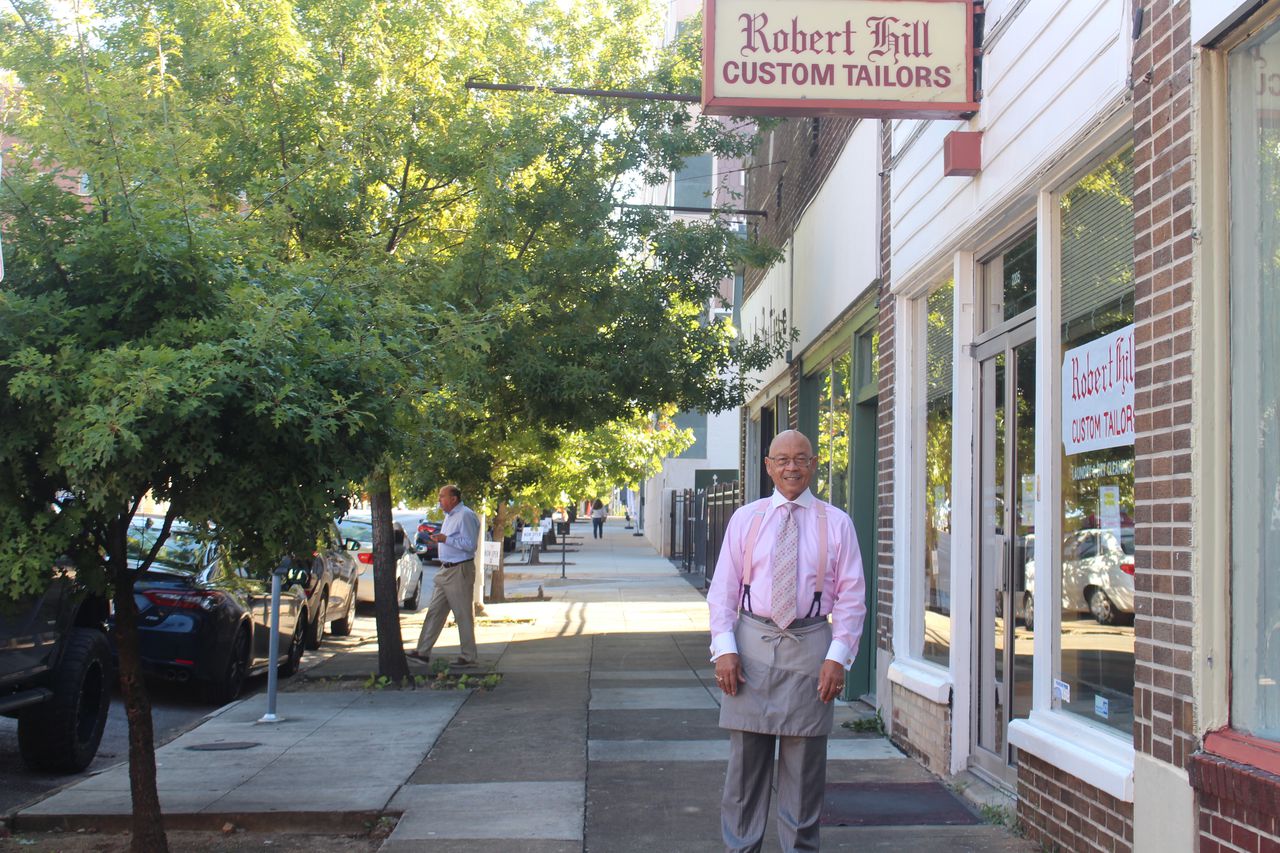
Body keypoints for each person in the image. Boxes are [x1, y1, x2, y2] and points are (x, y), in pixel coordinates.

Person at [706, 429, 867, 852]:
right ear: (768, 466)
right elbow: (722, 591)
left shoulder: (837, 523)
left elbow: (852, 598)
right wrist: (724, 649)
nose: (791, 467)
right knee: (744, 776)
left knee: (804, 777)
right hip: (751, 646)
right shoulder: (747, 519)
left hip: (811, 647)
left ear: (813, 465)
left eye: (800, 458)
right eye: (782, 459)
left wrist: (838, 657)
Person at [408, 485, 481, 667]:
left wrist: (445, 539)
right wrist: (439, 538)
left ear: (453, 498)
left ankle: (468, 656)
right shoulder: (449, 516)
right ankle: (423, 651)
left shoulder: (465, 515)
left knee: (462, 613)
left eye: (442, 496)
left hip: (459, 569)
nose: (439, 500)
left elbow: (470, 544)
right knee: (434, 611)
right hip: (445, 569)